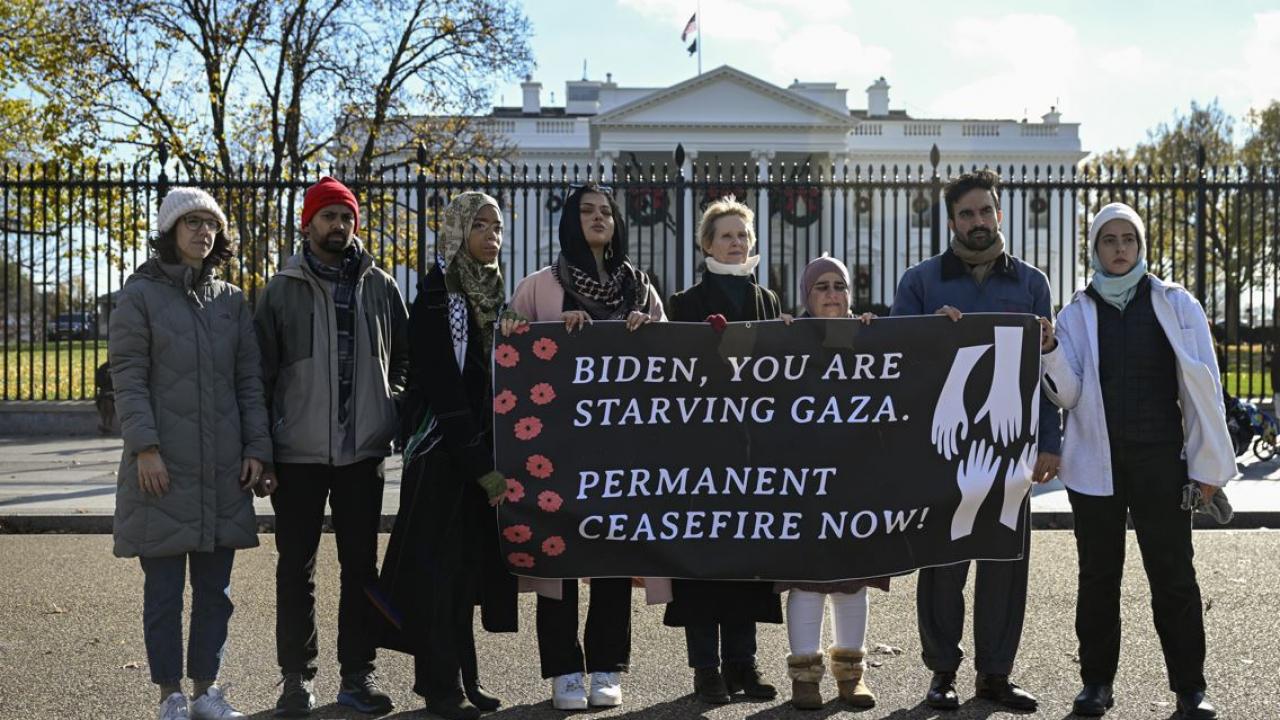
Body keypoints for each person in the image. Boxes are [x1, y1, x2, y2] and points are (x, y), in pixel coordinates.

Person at [1039, 202, 1232, 719]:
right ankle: (1096, 684)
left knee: (1173, 575)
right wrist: (1052, 347)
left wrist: (1208, 469)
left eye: (1128, 239)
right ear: (1096, 249)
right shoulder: (1075, 313)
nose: (1119, 248)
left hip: (1162, 463)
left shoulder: (1175, 302)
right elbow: (1068, 395)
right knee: (1098, 577)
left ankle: (1190, 688)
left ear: (1140, 245)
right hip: (1094, 466)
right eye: (1109, 240)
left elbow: (1204, 388)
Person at [889, 169, 1061, 712]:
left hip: (1013, 445)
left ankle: (995, 674)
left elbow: (1047, 371)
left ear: (999, 215)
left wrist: (1050, 442)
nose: (978, 222)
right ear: (952, 221)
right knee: (943, 563)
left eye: (985, 211)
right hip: (946, 444)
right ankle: (942, 672)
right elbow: (898, 362)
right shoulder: (920, 282)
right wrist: (930, 334)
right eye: (967, 214)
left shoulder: (1032, 283)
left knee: (1005, 565)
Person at [110, 187, 271, 720]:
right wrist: (145, 448)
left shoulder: (232, 299)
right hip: (161, 467)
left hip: (223, 467)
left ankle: (207, 692)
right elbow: (128, 377)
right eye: (192, 223)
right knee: (162, 594)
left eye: (211, 224)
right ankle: (169, 696)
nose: (204, 232)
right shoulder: (139, 295)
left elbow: (250, 380)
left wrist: (256, 448)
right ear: (169, 232)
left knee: (216, 592)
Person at [255, 176, 409, 717]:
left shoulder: (380, 286)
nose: (338, 226)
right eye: (328, 216)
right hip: (295, 453)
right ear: (308, 223)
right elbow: (259, 377)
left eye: (346, 217)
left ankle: (357, 675)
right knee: (295, 566)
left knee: (360, 569)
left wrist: (389, 407)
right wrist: (263, 449)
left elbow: (404, 361)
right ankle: (296, 678)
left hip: (361, 452)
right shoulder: (279, 290)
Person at [508, 183, 664, 710]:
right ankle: (562, 669)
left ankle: (605, 665)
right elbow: (509, 350)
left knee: (613, 553)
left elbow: (671, 360)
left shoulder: (640, 288)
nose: (598, 219)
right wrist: (551, 330)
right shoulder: (539, 286)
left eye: (606, 212)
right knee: (559, 556)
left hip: (622, 446)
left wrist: (646, 331)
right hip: (554, 448)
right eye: (587, 211)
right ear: (570, 222)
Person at [374, 192, 518, 720]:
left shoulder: (492, 293)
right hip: (443, 454)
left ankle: (465, 679)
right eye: (479, 225)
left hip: (478, 452)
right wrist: (480, 465)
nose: (491, 236)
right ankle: (439, 687)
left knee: (465, 574)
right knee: (437, 574)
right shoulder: (438, 294)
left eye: (497, 227)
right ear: (457, 231)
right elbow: (443, 387)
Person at [663, 197, 783, 705]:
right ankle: (706, 670)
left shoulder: (768, 301)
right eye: (725, 235)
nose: (736, 243)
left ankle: (743, 663)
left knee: (745, 561)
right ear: (706, 244)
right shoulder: (683, 303)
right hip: (699, 453)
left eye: (742, 235)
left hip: (751, 451)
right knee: (701, 564)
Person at [777, 254, 883, 711]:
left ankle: (850, 675)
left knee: (850, 582)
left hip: (855, 476)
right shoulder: (786, 339)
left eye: (840, 286)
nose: (833, 295)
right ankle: (804, 676)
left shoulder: (868, 336)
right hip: (800, 478)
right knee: (806, 580)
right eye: (821, 286)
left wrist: (879, 336)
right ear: (806, 295)